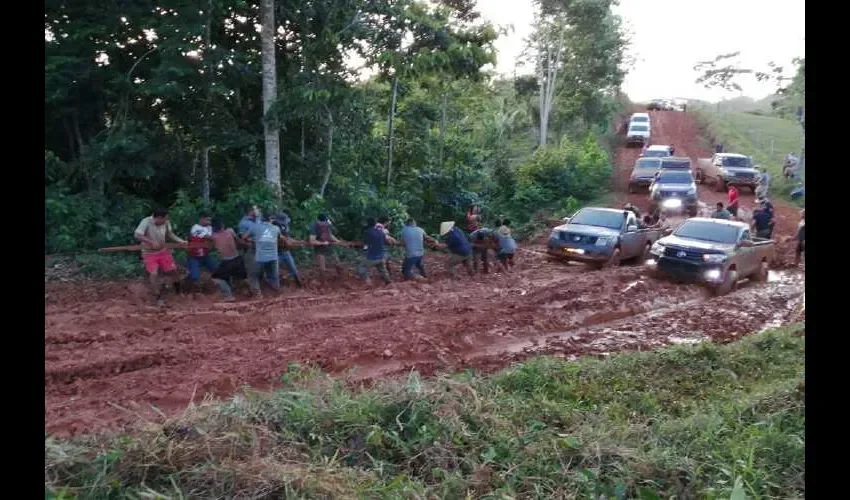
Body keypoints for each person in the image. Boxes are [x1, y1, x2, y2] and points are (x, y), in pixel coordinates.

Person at [134, 208, 187, 306]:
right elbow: (137, 235)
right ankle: (158, 296)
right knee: (153, 273)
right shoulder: (146, 221)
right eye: (164, 219)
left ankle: (178, 291)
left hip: (162, 251)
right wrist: (150, 242)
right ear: (158, 218)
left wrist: (180, 241)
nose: (166, 221)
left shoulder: (166, 222)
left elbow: (170, 233)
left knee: (174, 270)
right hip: (149, 253)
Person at [209, 216, 248, 301]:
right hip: (237, 258)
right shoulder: (230, 231)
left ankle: (228, 296)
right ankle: (249, 291)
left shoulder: (214, 236)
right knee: (240, 277)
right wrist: (248, 245)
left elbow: (210, 246)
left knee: (216, 277)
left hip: (226, 261)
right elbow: (239, 241)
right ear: (222, 225)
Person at [246, 214, 282, 297]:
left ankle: (258, 295)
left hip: (260, 257)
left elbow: (244, 237)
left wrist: (253, 240)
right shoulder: (276, 228)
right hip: (273, 257)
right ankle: (277, 294)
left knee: (253, 275)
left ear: (261, 219)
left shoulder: (255, 227)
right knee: (274, 276)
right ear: (271, 220)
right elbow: (279, 238)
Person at [358, 216, 397, 285]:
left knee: (361, 267)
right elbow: (386, 241)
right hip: (381, 256)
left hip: (372, 257)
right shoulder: (381, 232)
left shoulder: (368, 232)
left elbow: (365, 243)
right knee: (382, 270)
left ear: (368, 224)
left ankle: (368, 282)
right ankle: (389, 282)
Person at [185, 212, 217, 291]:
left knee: (217, 270)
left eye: (210, 220)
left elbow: (211, 239)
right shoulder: (195, 228)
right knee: (194, 277)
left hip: (205, 255)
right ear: (201, 219)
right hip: (194, 256)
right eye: (207, 220)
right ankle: (187, 288)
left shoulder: (209, 227)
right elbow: (209, 237)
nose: (209, 222)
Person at [272, 212, 303, 288]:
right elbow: (283, 240)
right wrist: (294, 243)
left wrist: (298, 242)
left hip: (285, 251)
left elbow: (288, 238)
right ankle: (276, 288)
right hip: (276, 252)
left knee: (293, 269)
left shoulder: (284, 227)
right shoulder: (273, 227)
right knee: (275, 271)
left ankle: (299, 285)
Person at [309, 214, 343, 279]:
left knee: (337, 261)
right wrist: (322, 243)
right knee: (322, 266)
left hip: (328, 245)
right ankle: (323, 280)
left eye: (325, 222)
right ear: (318, 221)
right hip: (319, 247)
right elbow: (312, 241)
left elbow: (330, 235)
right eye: (322, 223)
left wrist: (337, 241)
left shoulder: (327, 224)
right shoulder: (314, 226)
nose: (324, 224)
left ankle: (341, 277)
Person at [238, 205, 260, 277]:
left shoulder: (257, 219)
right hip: (250, 247)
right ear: (250, 211)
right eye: (255, 210)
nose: (258, 211)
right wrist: (252, 241)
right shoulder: (243, 223)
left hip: (259, 247)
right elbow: (242, 237)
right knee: (251, 267)